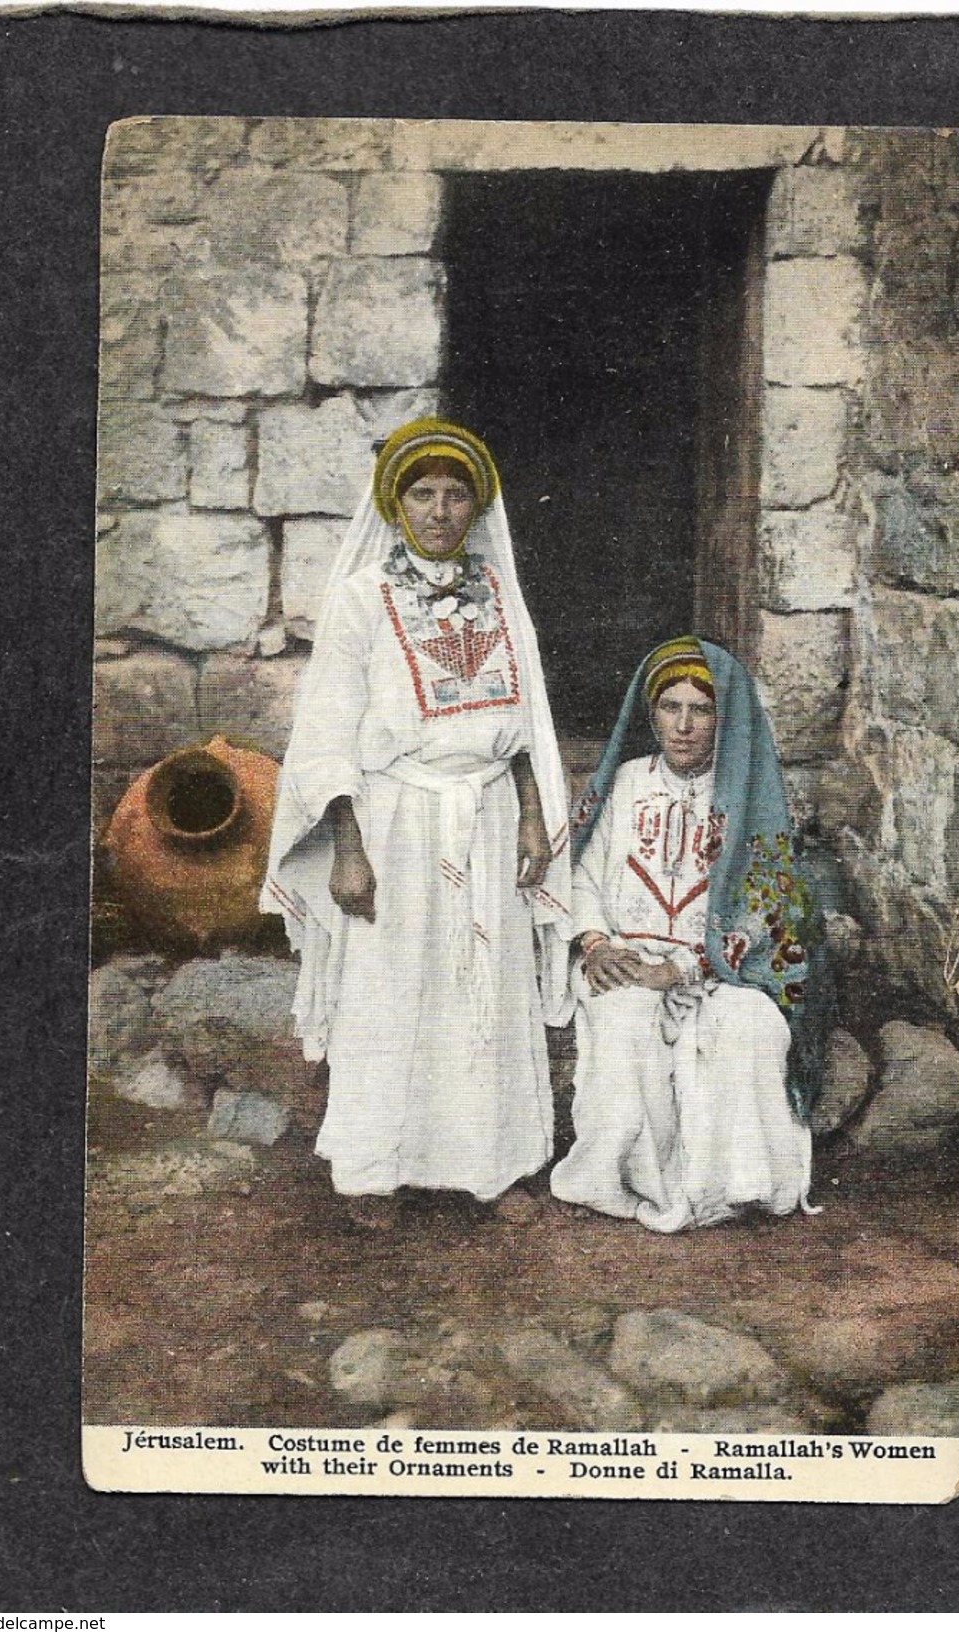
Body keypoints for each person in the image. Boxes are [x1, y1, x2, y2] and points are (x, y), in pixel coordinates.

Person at [262, 418, 572, 1229]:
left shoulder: (499, 591)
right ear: (396, 505)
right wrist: (349, 852)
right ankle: (375, 1170)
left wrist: (534, 820)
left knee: (487, 985)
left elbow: (524, 721)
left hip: (490, 814)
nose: (439, 510)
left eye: (455, 494)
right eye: (422, 494)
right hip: (395, 819)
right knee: (393, 990)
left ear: (476, 505)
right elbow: (329, 731)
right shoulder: (363, 598)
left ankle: (492, 1165)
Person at [549, 636, 825, 1232]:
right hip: (625, 956)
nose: (683, 726)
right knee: (625, 1021)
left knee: (749, 1024)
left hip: (720, 970)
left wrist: (688, 969)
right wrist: (596, 944)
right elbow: (584, 877)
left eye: (701, 710)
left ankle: (729, 1188)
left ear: (724, 719)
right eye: (669, 708)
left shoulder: (748, 799)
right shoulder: (625, 783)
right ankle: (627, 1182)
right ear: (651, 716)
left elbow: (771, 909)